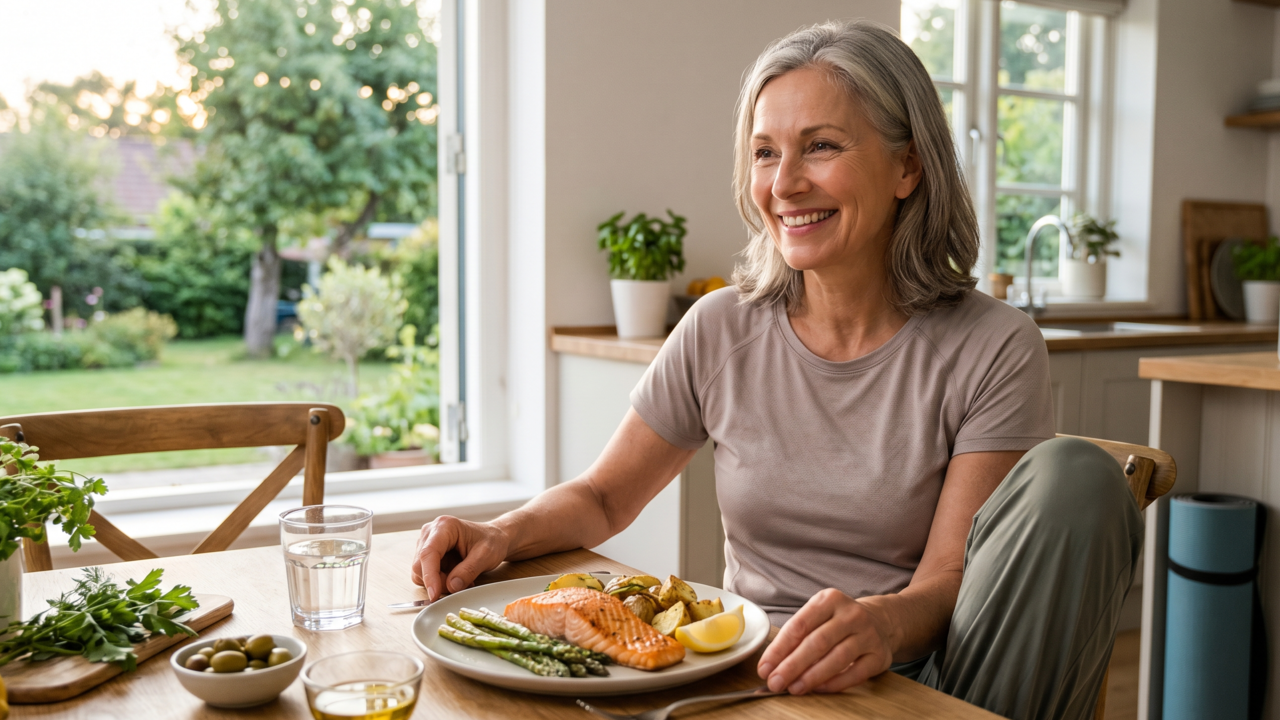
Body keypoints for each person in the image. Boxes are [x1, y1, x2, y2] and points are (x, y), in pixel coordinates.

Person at [410, 20, 1142, 720]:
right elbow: (604, 498)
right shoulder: (720, 326)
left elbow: (948, 583)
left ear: (908, 167)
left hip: (914, 671)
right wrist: (501, 534)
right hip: (744, 677)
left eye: (820, 146)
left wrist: (879, 630)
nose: (784, 183)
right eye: (765, 153)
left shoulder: (993, 343)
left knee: (1076, 473)